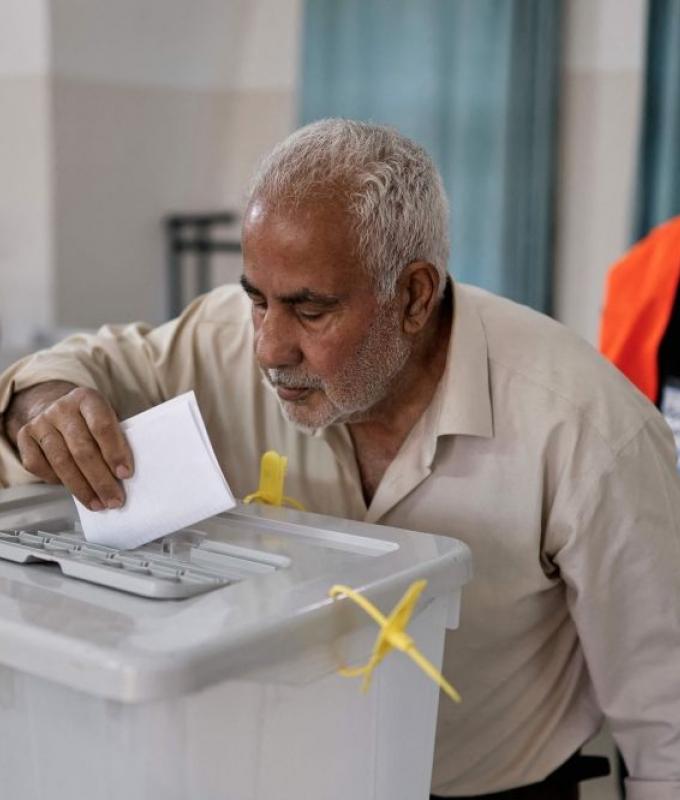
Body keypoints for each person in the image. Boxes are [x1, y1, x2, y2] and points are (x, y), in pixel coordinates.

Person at [1, 120, 679, 798]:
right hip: (284, 769)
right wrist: (43, 402)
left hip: (486, 785)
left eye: (311, 311)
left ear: (413, 296)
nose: (268, 348)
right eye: (257, 299)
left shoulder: (588, 431)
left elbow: (666, 715)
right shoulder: (223, 340)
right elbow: (81, 365)